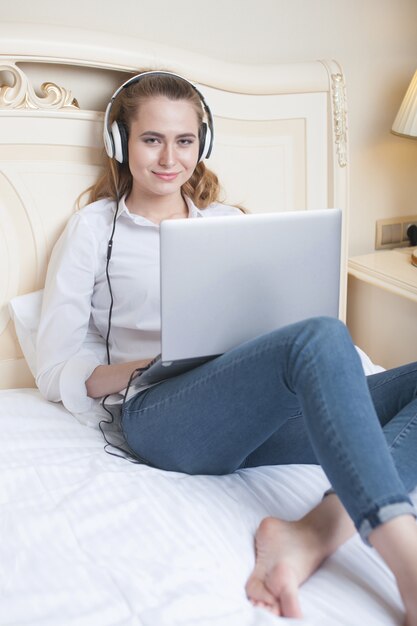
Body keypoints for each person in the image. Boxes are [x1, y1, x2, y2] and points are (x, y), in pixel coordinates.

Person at [36, 70, 417, 624]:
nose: (170, 158)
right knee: (323, 334)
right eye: (151, 139)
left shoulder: (228, 223)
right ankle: (406, 561)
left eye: (184, 140)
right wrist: (144, 365)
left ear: (202, 144)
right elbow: (55, 370)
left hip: (246, 410)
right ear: (120, 144)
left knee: (323, 336)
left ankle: (312, 533)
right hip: (160, 414)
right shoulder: (94, 230)